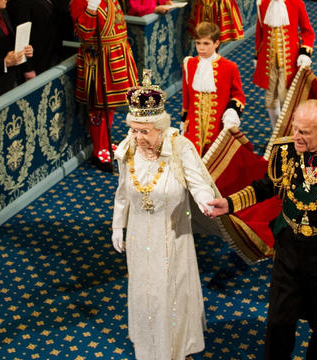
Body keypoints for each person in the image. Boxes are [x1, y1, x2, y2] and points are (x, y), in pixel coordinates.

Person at [208, 100, 317, 359]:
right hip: (289, 252)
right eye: (295, 128)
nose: (296, 136)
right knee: (278, 323)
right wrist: (229, 204)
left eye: (304, 132)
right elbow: (265, 187)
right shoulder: (284, 151)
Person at [112, 70, 214, 359]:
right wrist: (118, 227)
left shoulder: (180, 148)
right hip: (137, 235)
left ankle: (175, 347)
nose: (137, 137)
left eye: (144, 131)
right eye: (133, 129)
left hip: (171, 235)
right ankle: (147, 346)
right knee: (144, 292)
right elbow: (123, 193)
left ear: (160, 127)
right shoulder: (128, 150)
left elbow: (198, 184)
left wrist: (207, 202)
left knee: (167, 292)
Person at [70, 0, 139, 172]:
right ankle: (99, 151)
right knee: (98, 108)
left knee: (111, 106)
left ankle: (106, 145)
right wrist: (91, 9)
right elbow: (83, 32)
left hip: (116, 55)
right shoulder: (79, 2)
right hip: (98, 60)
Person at [182, 21, 245, 156]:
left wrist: (232, 112)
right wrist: (184, 121)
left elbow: (239, 96)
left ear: (216, 43)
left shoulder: (230, 67)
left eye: (206, 44)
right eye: (198, 43)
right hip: (193, 128)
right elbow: (186, 96)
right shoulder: (189, 64)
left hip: (218, 127)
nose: (201, 49)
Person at [254, 0, 314, 127]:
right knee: (270, 100)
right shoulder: (262, 4)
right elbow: (260, 32)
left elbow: (307, 32)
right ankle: (276, 132)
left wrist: (305, 52)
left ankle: (293, 132)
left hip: (290, 62)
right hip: (269, 63)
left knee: (288, 99)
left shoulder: (296, 3)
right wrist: (257, 56)